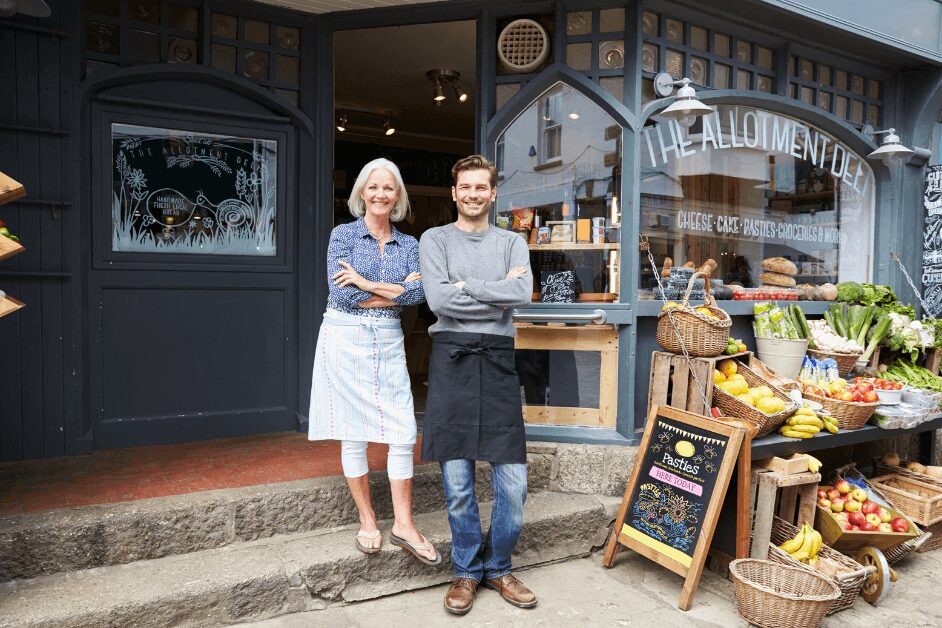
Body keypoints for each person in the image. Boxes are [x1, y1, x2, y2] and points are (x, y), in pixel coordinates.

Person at [419, 155, 536, 615]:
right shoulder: (435, 239)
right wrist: (493, 290)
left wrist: (466, 286)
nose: (472, 194)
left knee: (513, 484)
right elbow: (437, 299)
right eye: (464, 187)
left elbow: (522, 294)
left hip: (500, 361)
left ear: (492, 194)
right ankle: (467, 570)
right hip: (452, 358)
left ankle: (500, 566)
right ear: (454, 193)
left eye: (480, 188)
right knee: (458, 482)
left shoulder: (512, 242)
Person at [309, 157, 440, 566]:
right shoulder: (342, 236)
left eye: (389, 188)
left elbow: (420, 298)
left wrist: (365, 282)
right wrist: (394, 290)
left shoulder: (411, 244)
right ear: (361, 193)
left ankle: (403, 524)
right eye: (373, 187)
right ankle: (367, 518)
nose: (381, 194)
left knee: (402, 429)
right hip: (345, 334)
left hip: (386, 336)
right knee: (354, 432)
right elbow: (342, 294)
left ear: (397, 195)